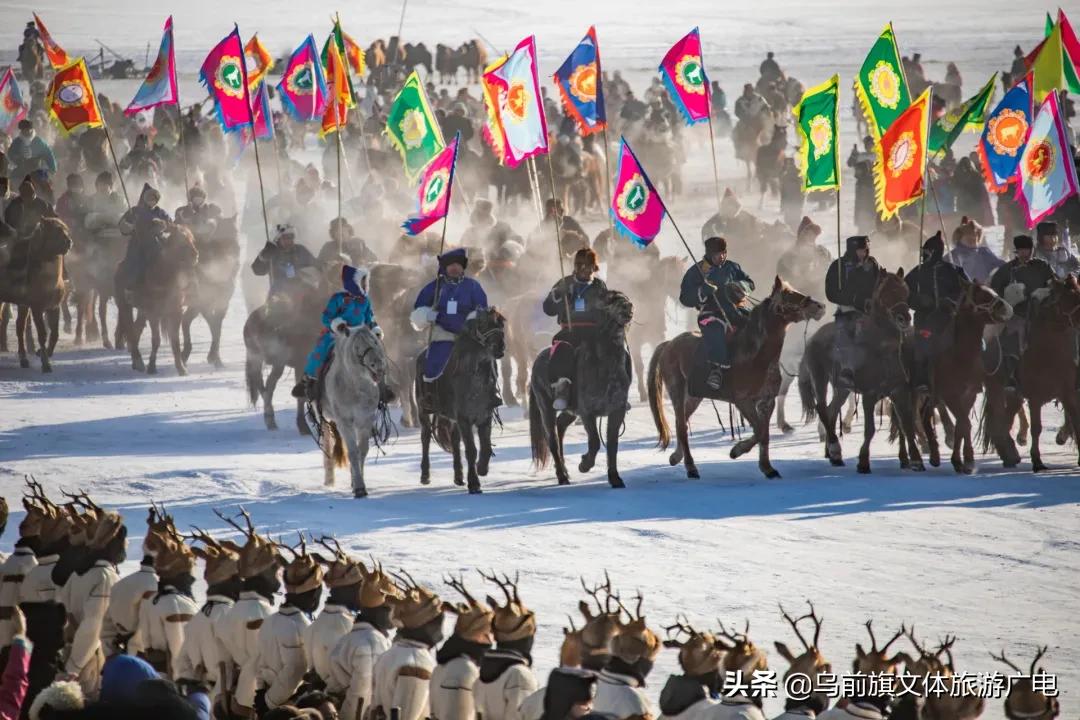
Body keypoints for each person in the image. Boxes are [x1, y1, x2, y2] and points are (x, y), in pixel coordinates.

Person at [292, 265, 384, 402]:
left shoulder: (365, 301)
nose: (365, 285)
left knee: (377, 352)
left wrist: (375, 329)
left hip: (360, 334)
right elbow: (326, 317)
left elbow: (370, 318)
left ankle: (383, 386)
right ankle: (308, 380)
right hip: (339, 334)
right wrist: (338, 324)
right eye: (362, 282)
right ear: (354, 284)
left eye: (366, 282)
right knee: (321, 350)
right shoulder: (338, 299)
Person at [678, 237, 755, 390]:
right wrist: (702, 291)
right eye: (717, 254)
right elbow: (685, 298)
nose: (721, 257)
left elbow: (750, 283)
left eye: (724, 253)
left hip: (736, 309)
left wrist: (740, 286)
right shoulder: (697, 271)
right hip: (711, 312)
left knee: (757, 324)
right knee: (715, 330)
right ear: (709, 254)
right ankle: (717, 370)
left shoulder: (733, 267)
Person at [254, 548, 324, 713]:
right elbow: (295, 670)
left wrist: (262, 693)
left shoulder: (270, 621)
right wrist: (269, 702)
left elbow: (260, 665)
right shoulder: (300, 625)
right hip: (290, 707)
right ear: (313, 594)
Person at [542, 248, 610, 411]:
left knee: (610, 351)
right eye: (579, 264)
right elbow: (548, 308)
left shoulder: (599, 285)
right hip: (570, 331)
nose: (582, 269)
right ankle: (562, 388)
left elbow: (606, 310)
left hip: (594, 332)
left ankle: (611, 390)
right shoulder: (564, 283)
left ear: (594, 267)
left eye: (587, 265)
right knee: (563, 349)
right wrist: (556, 296)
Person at [411, 249, 490, 384]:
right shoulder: (435, 286)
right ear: (444, 267)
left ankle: (491, 392)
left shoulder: (472, 286)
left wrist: (473, 320)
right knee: (435, 362)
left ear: (463, 266)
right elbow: (419, 308)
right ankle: (430, 392)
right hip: (443, 335)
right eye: (450, 265)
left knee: (485, 361)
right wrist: (428, 315)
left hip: (469, 336)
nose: (454, 267)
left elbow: (482, 308)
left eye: (458, 264)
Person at [904, 232, 969, 393]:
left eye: (926, 252)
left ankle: (970, 376)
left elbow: (966, 291)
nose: (923, 255)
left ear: (935, 252)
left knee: (970, 342)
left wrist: (952, 301)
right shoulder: (916, 272)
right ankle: (921, 379)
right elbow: (904, 293)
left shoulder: (954, 270)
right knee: (922, 346)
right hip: (925, 318)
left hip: (949, 317)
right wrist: (919, 300)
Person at [989, 235, 1056, 391]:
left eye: (1028, 250)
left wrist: (1045, 292)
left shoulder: (1043, 266)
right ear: (1017, 251)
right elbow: (995, 291)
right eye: (1022, 250)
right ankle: (1011, 376)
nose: (1026, 254)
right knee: (1011, 338)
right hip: (1017, 314)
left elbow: (1055, 284)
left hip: (1041, 314)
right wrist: (1008, 298)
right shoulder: (1007, 270)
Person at [825, 236, 881, 388]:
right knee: (846, 334)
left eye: (865, 250)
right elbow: (831, 293)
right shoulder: (839, 266)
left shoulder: (873, 264)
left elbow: (879, 283)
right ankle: (847, 368)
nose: (863, 253)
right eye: (860, 250)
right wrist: (853, 299)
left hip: (870, 310)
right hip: (847, 310)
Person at [117, 183, 171, 297]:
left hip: (156, 242)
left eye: (154, 199)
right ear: (145, 199)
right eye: (149, 198)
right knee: (135, 261)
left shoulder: (161, 212)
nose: (152, 201)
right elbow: (122, 225)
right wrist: (130, 225)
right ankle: (131, 285)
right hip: (138, 242)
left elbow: (170, 225)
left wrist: (162, 225)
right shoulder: (135, 211)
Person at [251, 223, 319, 302]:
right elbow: (257, 270)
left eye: (291, 237)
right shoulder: (272, 253)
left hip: (301, 293)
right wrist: (263, 256)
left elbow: (316, 265)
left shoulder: (300, 250)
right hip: (279, 296)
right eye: (285, 238)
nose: (289, 240)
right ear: (278, 239)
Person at [776, 216, 831, 302]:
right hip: (795, 298)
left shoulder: (821, 252)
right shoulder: (788, 256)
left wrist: (824, 260)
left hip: (816, 298)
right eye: (807, 234)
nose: (810, 237)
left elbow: (827, 271)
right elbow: (782, 278)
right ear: (801, 236)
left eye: (813, 235)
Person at [944, 216, 1003, 283]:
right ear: (960, 237)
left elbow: (1001, 265)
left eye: (976, 234)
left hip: (984, 289)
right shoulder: (952, 256)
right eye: (968, 234)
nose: (973, 237)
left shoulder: (983, 252)